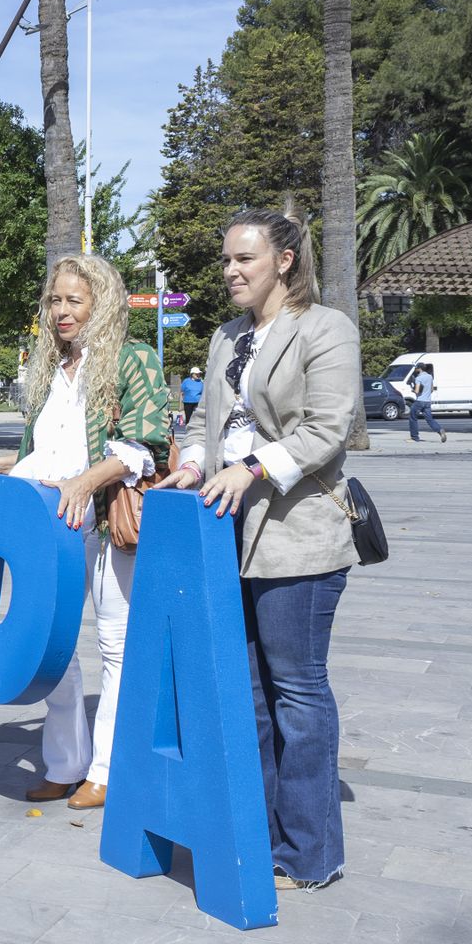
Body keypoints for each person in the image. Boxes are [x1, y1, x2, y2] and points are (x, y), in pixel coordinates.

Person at [157, 206, 359, 891]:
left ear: (285, 260)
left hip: (296, 538)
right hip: (223, 536)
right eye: (225, 260)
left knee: (296, 693)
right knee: (244, 695)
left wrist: (251, 469)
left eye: (244, 258)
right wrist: (192, 462)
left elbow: (327, 428)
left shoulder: (323, 330)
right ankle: (261, 835)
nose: (230, 271)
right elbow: (208, 425)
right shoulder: (225, 337)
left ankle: (312, 851)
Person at [0, 255, 171, 810]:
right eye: (55, 300)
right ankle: (65, 764)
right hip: (50, 527)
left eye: (73, 300)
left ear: (99, 304)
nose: (61, 311)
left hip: (105, 521)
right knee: (52, 649)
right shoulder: (46, 368)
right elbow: (46, 451)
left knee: (115, 648)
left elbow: (144, 445)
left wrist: (85, 481)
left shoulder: (133, 360)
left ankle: (106, 771)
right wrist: (12, 468)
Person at [407, 362, 447, 442]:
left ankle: (414, 437)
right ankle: (439, 430)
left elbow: (417, 391)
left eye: (417, 368)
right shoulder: (430, 377)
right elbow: (431, 390)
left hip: (419, 401)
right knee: (429, 419)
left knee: (413, 418)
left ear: (420, 369)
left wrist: (413, 391)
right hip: (428, 402)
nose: (416, 369)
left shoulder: (418, 378)